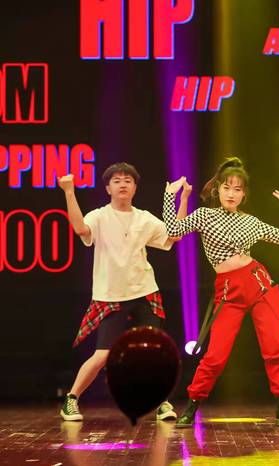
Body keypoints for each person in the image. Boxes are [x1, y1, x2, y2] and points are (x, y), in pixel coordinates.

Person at [163, 157, 279, 428]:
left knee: (275, 347)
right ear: (217, 189)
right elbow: (173, 230)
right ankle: (191, 407)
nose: (231, 193)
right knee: (216, 355)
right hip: (230, 289)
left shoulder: (250, 221)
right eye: (227, 187)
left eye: (237, 189)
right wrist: (171, 196)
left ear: (244, 194)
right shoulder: (205, 216)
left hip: (259, 283)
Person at [58, 162, 186, 422]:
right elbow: (81, 229)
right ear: (108, 188)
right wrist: (69, 191)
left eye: (128, 180)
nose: (123, 184)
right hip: (111, 296)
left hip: (145, 292)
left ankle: (161, 401)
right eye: (116, 181)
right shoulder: (99, 216)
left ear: (135, 188)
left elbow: (174, 235)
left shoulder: (144, 218)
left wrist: (182, 199)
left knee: (154, 353)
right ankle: (71, 399)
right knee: (103, 355)